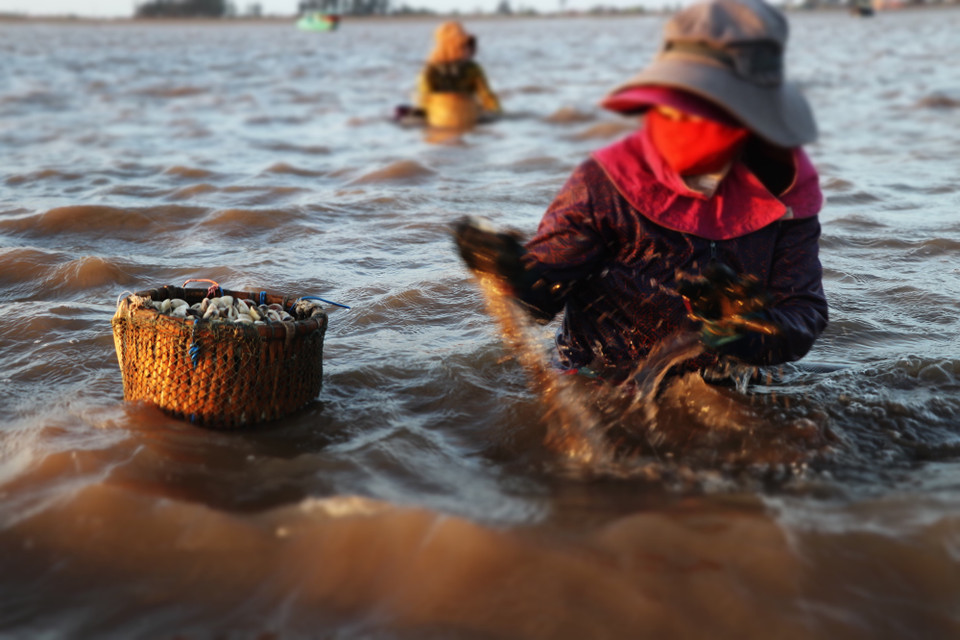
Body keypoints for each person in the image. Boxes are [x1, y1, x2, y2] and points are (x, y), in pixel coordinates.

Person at [454, 0, 827, 382]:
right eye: (673, 106)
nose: (679, 123)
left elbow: (802, 309)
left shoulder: (786, 190)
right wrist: (513, 272)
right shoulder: (607, 182)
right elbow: (541, 297)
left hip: (721, 385)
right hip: (600, 380)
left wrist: (746, 327)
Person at [416, 21, 501, 128]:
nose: (468, 51)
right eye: (463, 47)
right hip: (441, 115)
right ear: (449, 47)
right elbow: (424, 98)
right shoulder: (430, 70)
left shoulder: (473, 69)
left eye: (469, 47)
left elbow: (486, 95)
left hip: (467, 112)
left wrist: (496, 112)